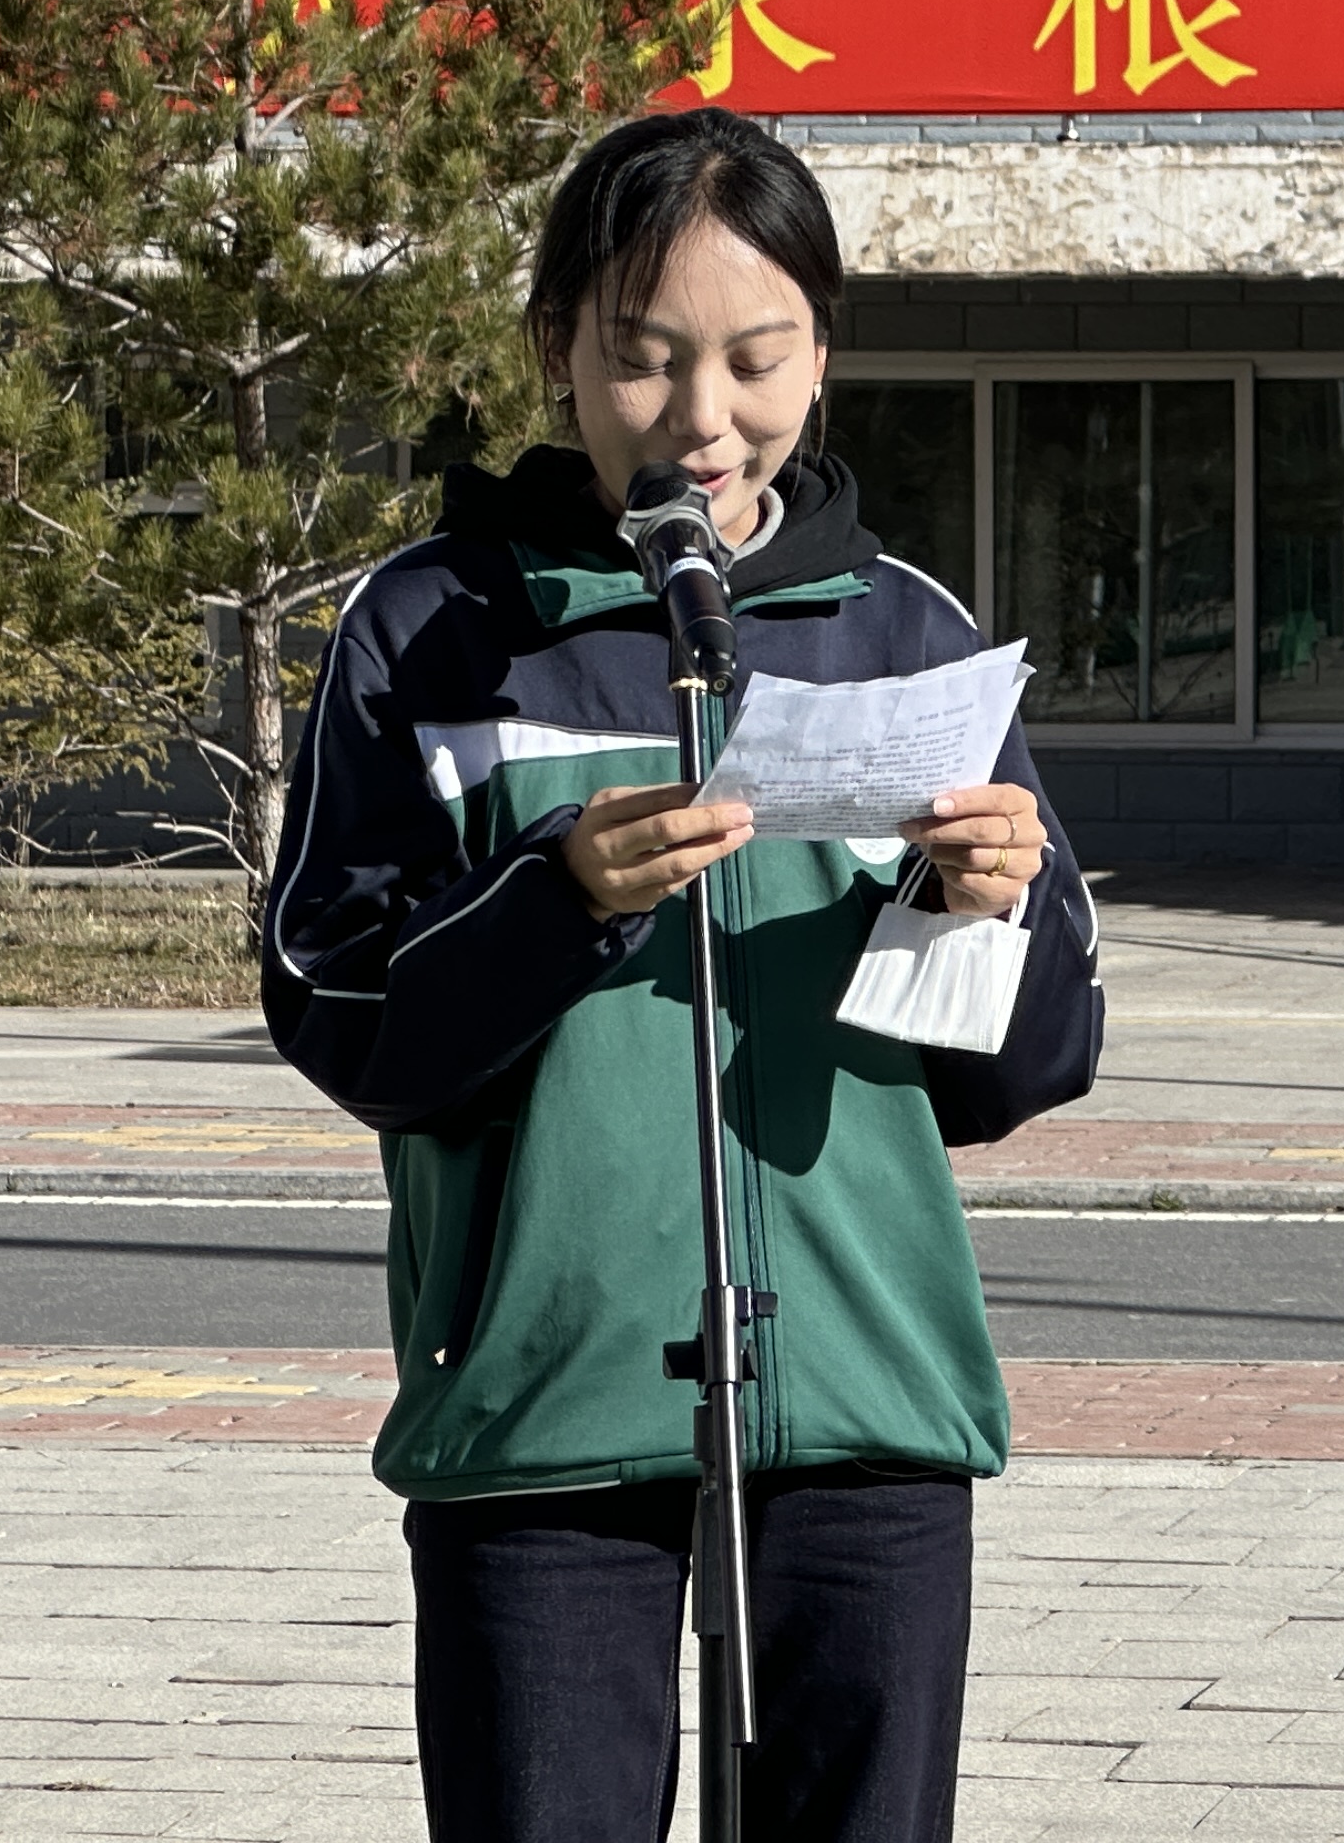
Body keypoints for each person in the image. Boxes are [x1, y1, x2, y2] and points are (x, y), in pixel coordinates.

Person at [265, 105, 1104, 1843]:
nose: (702, 417)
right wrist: (552, 899)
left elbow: (1017, 1076)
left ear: (824, 353)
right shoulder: (431, 630)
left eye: (755, 358)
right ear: (557, 349)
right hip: (542, 1407)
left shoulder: (907, 632)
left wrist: (985, 907)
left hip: (868, 1403)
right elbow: (342, 1018)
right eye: (644, 359)